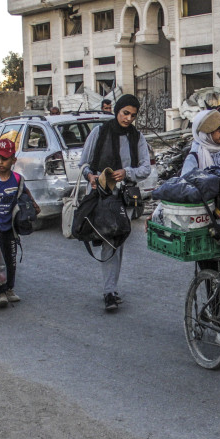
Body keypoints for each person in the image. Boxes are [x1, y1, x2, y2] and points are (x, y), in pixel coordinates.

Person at [79, 94, 151, 311]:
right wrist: (91, 177)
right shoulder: (99, 132)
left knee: (115, 242)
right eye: (125, 113)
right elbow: (84, 165)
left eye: (133, 115)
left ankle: (110, 289)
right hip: (102, 196)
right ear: (117, 111)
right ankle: (109, 290)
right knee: (110, 241)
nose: (128, 118)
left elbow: (145, 169)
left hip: (125, 199)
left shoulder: (137, 138)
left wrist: (126, 173)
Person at [0, 138, 41, 308]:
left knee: (11, 259)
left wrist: (34, 205)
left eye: (4, 159)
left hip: (10, 226)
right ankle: (1, 292)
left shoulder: (18, 179)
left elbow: (25, 193)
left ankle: (10, 288)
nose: (0, 162)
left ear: (13, 160)